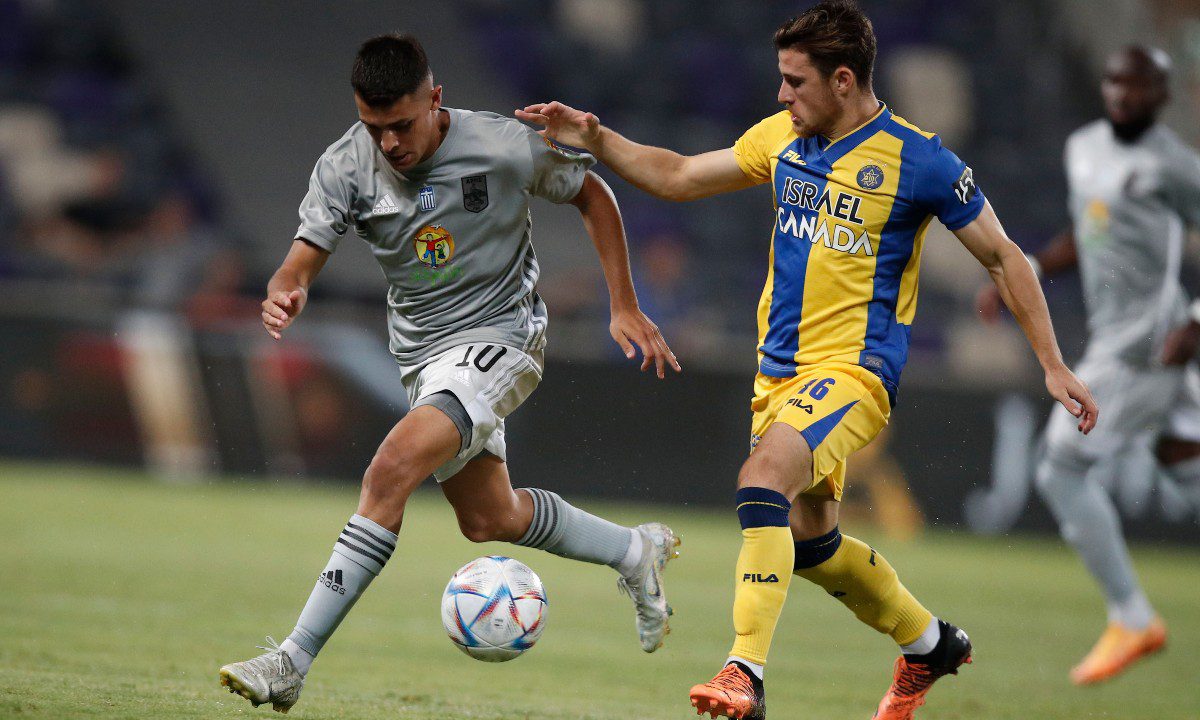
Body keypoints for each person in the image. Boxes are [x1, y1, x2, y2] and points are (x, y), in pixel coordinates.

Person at [517, 2, 1097, 718]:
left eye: (795, 81)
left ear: (843, 80)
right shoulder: (784, 139)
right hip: (778, 374)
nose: (782, 94)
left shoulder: (921, 160)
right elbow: (678, 175)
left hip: (855, 372)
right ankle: (930, 644)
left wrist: (1052, 364)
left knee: (762, 480)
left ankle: (744, 673)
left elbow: (1004, 257)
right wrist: (597, 138)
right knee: (812, 543)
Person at [218, 34, 683, 713]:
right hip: (422, 357)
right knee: (489, 517)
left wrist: (623, 303)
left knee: (389, 469)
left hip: (503, 339)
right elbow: (300, 258)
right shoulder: (345, 165)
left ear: (435, 100)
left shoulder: (501, 145)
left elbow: (593, 194)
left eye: (401, 125)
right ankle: (634, 551)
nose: (389, 143)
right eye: (374, 127)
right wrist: (287, 289)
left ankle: (291, 660)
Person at [976, 45, 1200, 685]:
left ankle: (1132, 617)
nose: (1125, 93)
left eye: (1140, 84)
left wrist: (1196, 323)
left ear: (1162, 95)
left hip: (1144, 345)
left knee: (1060, 470)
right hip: (1122, 337)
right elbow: (1089, 229)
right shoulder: (1084, 148)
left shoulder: (1175, 165)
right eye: (1115, 82)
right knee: (1184, 460)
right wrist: (1029, 271)